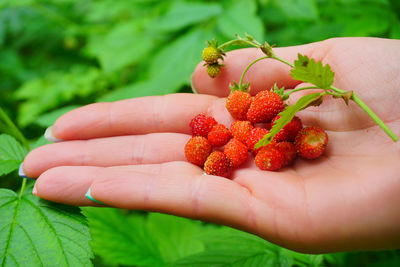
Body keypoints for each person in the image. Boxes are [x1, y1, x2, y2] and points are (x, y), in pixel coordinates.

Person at [21, 37, 400, 253]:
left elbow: (263, 132)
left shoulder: (266, 125)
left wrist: (270, 134)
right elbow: (247, 132)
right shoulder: (238, 127)